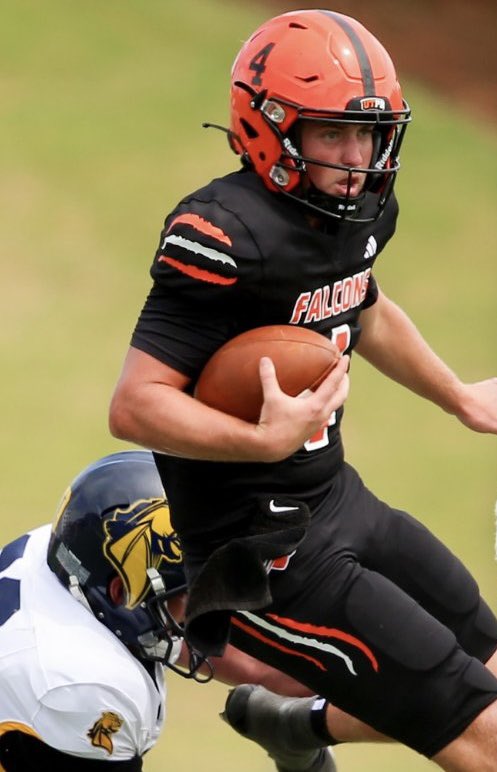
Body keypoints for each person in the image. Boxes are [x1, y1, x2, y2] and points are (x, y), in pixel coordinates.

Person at [108, 8, 497, 770]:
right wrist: (260, 440)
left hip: (339, 500)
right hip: (264, 559)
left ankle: (298, 726)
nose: (356, 158)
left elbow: (362, 303)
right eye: (331, 134)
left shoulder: (354, 210)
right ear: (269, 130)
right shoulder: (223, 236)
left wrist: (458, 396)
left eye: (369, 134)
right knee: (484, 738)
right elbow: (134, 403)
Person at [0, 448, 337, 771]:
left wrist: (337, 693)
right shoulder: (85, 685)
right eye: (192, 590)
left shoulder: (70, 562)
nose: (208, 603)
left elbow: (258, 669)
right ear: (121, 593)